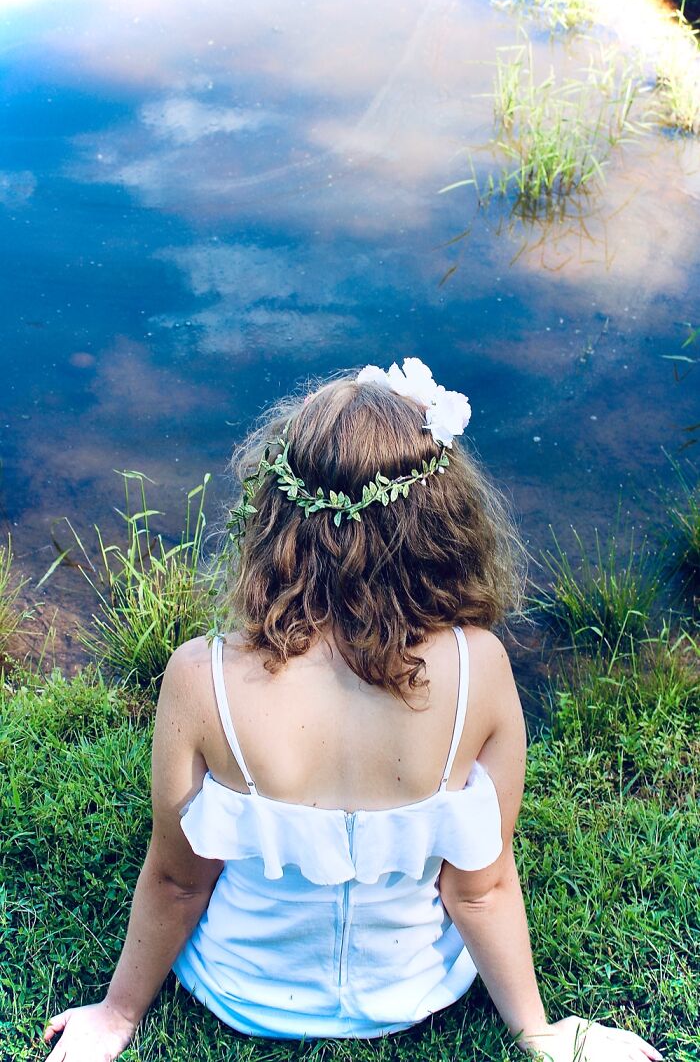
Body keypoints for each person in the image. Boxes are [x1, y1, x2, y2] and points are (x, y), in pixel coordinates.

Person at [44, 359, 663, 1062]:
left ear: (275, 519)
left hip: (245, 989)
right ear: (443, 522)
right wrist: (537, 1031)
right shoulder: (479, 666)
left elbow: (178, 880)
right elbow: (481, 888)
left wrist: (117, 1013)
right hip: (414, 988)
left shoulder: (202, 675)